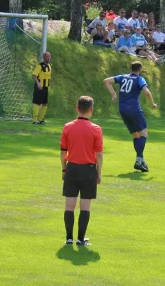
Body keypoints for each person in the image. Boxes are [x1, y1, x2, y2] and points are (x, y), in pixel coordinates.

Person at [60, 96, 103, 246]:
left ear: (77, 108)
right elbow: (99, 154)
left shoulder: (67, 127)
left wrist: (64, 169)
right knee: (85, 206)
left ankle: (69, 238)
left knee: (69, 205)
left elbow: (63, 152)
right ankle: (80, 239)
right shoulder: (96, 129)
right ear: (91, 110)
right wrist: (99, 173)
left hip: (71, 168)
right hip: (88, 169)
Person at [103, 61, 157, 172]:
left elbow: (106, 81)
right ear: (140, 70)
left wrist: (114, 94)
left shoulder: (122, 77)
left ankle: (141, 161)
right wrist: (152, 104)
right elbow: (146, 92)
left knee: (136, 135)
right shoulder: (140, 79)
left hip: (122, 109)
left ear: (131, 68)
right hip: (134, 109)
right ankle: (139, 160)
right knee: (144, 133)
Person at [32, 51, 52, 124]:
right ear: (44, 57)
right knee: (37, 103)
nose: (48, 58)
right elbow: (34, 75)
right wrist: (38, 83)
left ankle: (41, 120)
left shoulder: (49, 66)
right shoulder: (40, 66)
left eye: (49, 56)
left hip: (46, 87)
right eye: (47, 56)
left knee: (44, 103)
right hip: (39, 87)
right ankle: (34, 120)